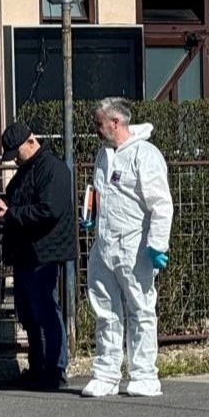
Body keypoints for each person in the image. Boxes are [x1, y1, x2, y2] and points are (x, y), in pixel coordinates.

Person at [80, 97, 173, 398]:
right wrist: (90, 216)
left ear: (115, 122)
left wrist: (157, 244)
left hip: (135, 248)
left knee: (141, 310)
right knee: (105, 311)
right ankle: (106, 373)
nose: (96, 128)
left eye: (99, 123)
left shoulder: (145, 155)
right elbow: (97, 192)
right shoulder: (103, 155)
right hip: (104, 246)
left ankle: (145, 375)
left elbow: (161, 204)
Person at [0, 122, 76, 392]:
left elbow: (49, 210)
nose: (15, 158)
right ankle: (39, 367)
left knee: (46, 313)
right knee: (30, 314)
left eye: (17, 152)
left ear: (31, 142)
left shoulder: (52, 169)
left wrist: (11, 214)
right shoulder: (30, 170)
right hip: (28, 252)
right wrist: (7, 209)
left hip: (45, 252)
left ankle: (55, 369)